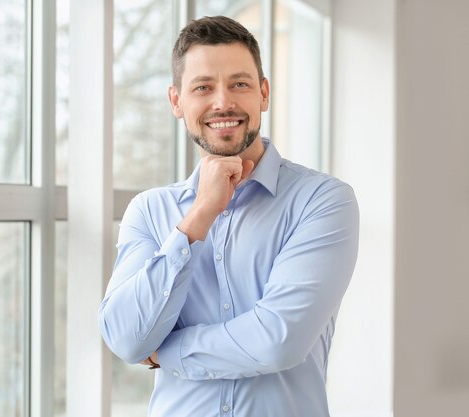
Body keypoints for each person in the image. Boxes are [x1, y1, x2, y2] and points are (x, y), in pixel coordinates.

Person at [99, 15, 359, 417]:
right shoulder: (150, 210)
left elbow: (278, 340)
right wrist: (199, 216)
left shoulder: (322, 201)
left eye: (240, 84)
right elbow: (125, 338)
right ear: (176, 102)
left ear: (264, 94)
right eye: (203, 87)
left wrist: (164, 353)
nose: (223, 102)